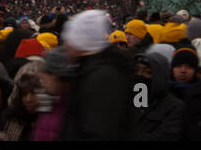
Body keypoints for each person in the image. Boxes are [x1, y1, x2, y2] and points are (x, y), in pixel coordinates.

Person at [61, 10, 137, 140]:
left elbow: (98, 129)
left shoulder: (101, 77)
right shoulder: (91, 69)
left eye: (69, 38)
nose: (66, 45)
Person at [134, 50, 184, 141]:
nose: (140, 75)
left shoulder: (175, 107)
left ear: (159, 77)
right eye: (137, 70)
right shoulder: (127, 100)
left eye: (147, 72)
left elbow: (166, 136)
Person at [0, 61, 42, 141]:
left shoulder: (50, 121)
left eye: (34, 93)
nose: (28, 99)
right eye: (24, 94)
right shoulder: (13, 121)